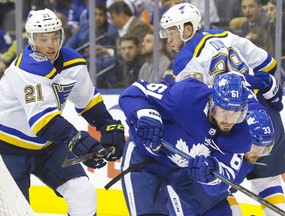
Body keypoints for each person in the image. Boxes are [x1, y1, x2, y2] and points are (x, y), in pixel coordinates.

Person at [159, 2, 285, 214]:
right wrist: (254, 81)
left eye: (172, 32)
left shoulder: (185, 60)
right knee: (267, 182)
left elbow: (191, 104)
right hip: (262, 115)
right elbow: (269, 65)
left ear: (187, 29)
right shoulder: (224, 36)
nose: (168, 38)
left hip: (231, 124)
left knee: (221, 186)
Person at [0, 8, 126, 216]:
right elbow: (43, 122)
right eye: (43, 39)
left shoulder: (73, 62)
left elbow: (88, 102)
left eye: (55, 37)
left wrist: (107, 124)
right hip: (7, 149)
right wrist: (76, 139)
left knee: (83, 194)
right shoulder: (25, 69)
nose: (51, 44)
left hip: (48, 145)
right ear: (31, 40)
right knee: (15, 211)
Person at [119, 72, 254, 215]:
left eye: (236, 113)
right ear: (212, 102)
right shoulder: (186, 95)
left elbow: (223, 182)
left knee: (218, 211)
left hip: (185, 172)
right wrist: (146, 114)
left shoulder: (240, 136)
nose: (230, 120)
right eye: (225, 111)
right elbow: (134, 91)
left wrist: (210, 175)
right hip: (146, 160)